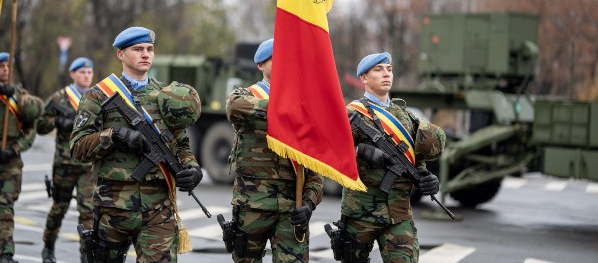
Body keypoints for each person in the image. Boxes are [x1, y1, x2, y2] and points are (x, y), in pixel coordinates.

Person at [69, 27, 203, 263]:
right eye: (137, 49)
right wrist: (114, 135)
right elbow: (78, 147)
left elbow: (181, 145)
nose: (145, 54)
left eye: (150, 49)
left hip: (157, 207)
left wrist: (193, 169)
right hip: (113, 206)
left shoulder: (167, 96)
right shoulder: (98, 96)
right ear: (120, 54)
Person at [333, 52, 446, 263]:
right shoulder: (352, 114)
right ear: (364, 78)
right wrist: (360, 151)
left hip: (398, 213)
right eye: (378, 70)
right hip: (361, 211)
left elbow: (415, 160)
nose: (386, 74)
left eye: (389, 69)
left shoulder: (405, 117)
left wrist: (427, 179)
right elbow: (330, 152)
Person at [224, 38, 324, 263]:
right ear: (260, 65)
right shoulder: (245, 96)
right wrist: (285, 107)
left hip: (292, 208)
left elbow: (316, 167)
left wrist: (309, 203)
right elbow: (233, 107)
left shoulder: (304, 105)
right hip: (252, 207)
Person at [36, 57, 95, 263]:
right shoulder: (60, 98)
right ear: (73, 74)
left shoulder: (96, 97)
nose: (86, 76)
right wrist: (58, 121)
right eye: (81, 72)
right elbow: (40, 126)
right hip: (64, 164)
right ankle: (48, 246)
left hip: (88, 165)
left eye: (89, 73)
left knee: (87, 211)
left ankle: (86, 254)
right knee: (59, 207)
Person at [0, 52, 44, 263]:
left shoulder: (19, 96)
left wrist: (14, 149)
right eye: (1, 66)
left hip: (10, 160)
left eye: (8, 66)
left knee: (5, 206)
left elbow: (32, 125)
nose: (5, 70)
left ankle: (5, 253)